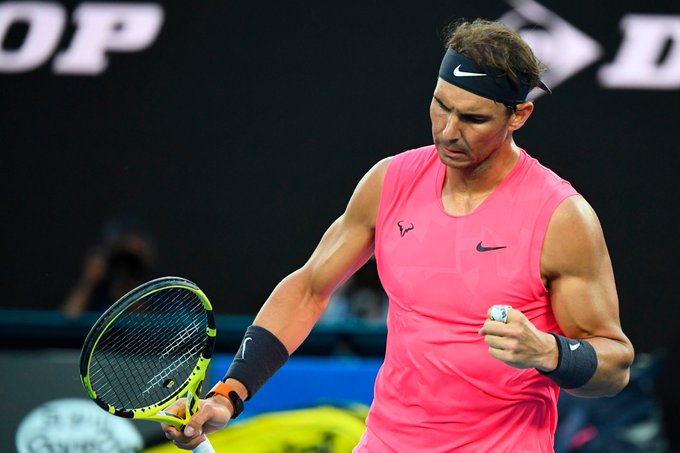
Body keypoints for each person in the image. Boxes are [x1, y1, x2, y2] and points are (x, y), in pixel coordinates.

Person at [163, 19, 634, 452]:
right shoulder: (390, 181)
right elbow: (308, 289)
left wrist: (549, 352)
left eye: (472, 118)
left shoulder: (562, 218)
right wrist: (229, 393)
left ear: (519, 116)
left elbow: (614, 364)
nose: (448, 132)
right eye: (440, 105)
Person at [61, 217, 157, 318]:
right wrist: (87, 283)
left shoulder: (163, 296)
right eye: (123, 256)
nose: (128, 264)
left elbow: (146, 327)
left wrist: (135, 292)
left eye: (135, 257)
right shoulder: (95, 298)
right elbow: (64, 324)